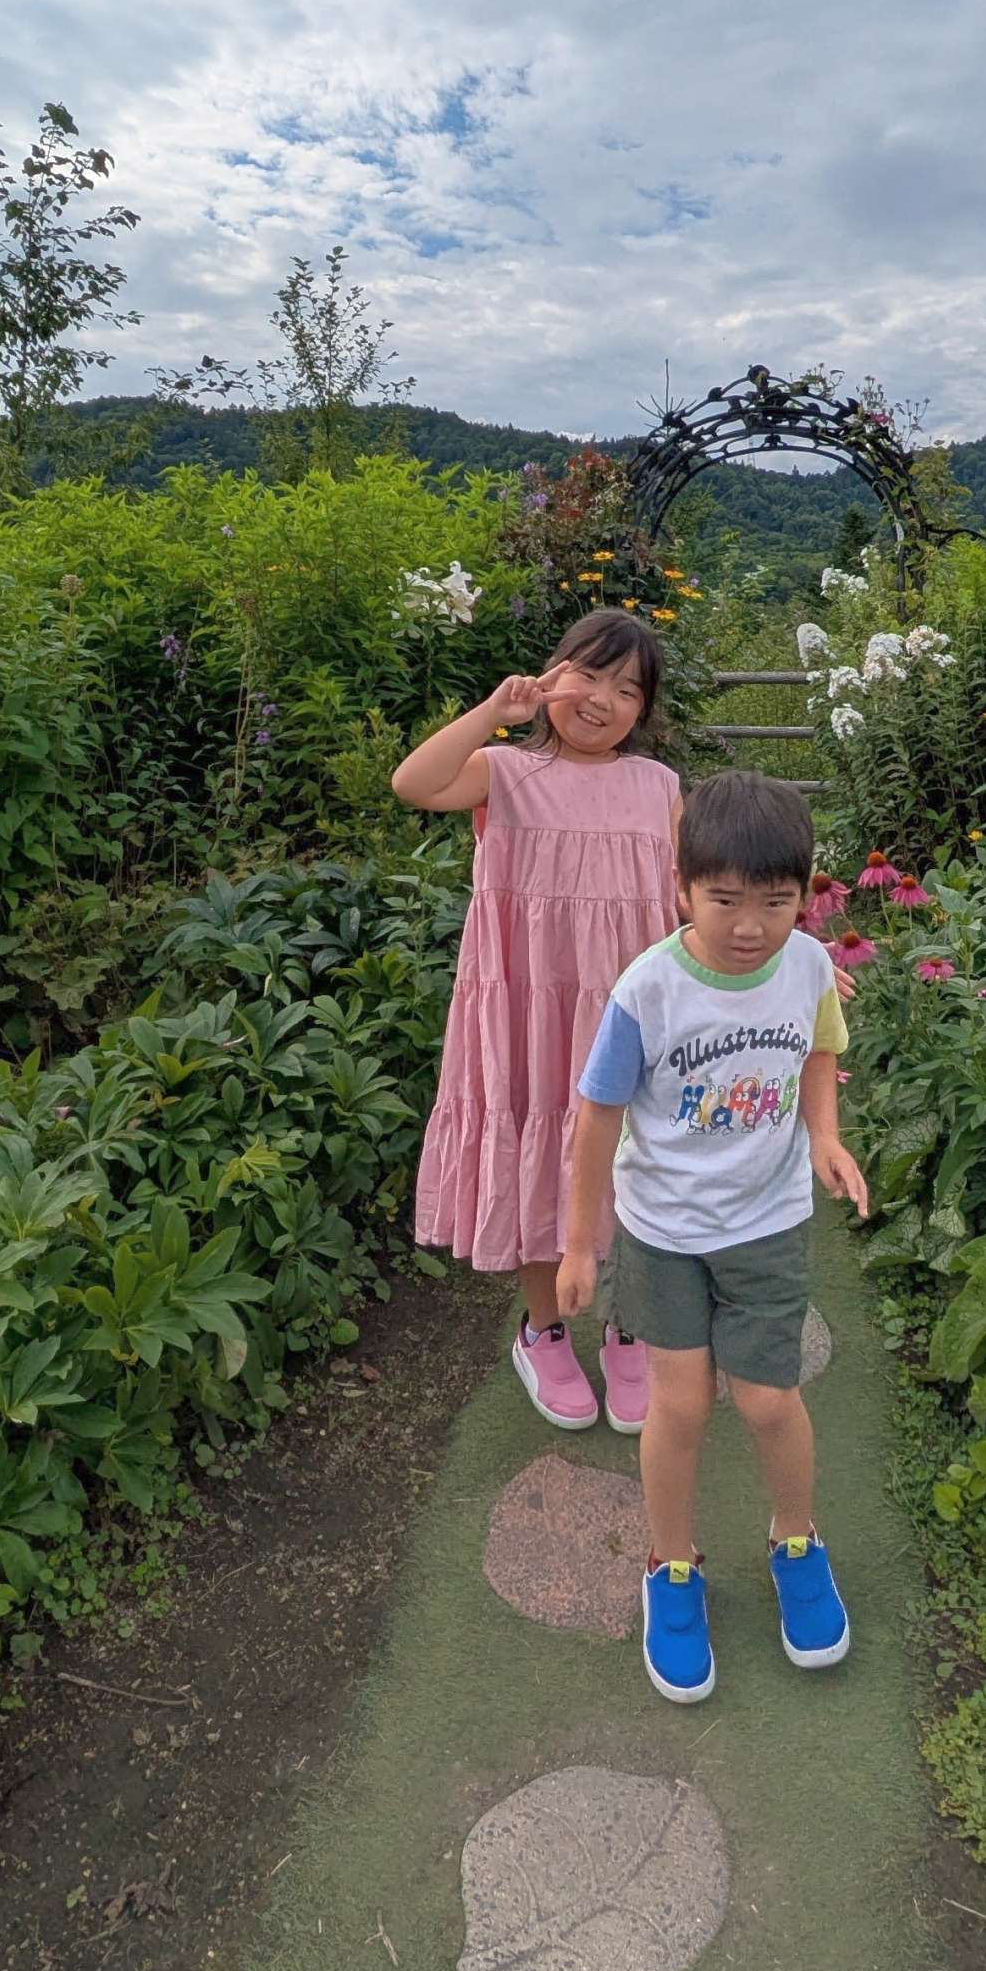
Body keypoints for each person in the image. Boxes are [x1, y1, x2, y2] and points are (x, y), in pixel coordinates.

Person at [556, 771, 868, 1703]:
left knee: (770, 1401)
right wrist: (578, 1242)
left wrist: (825, 1137)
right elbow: (597, 1118)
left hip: (767, 1224)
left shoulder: (807, 965)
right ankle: (671, 1564)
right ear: (681, 887)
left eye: (776, 901)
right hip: (662, 1231)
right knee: (681, 1405)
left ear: (804, 894)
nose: (750, 926)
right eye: (725, 899)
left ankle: (796, 1542)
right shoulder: (647, 991)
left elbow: (819, 1048)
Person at [393, 609, 679, 1432]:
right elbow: (414, 783)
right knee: (539, 1150)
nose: (601, 699)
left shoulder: (658, 786)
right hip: (527, 1012)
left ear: (643, 710)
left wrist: (775, 956)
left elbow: (689, 896)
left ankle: (629, 1324)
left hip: (627, 1013)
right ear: (552, 674)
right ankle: (543, 1330)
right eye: (588, 674)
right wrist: (493, 711)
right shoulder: (504, 771)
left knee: (633, 1162)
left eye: (627, 689)